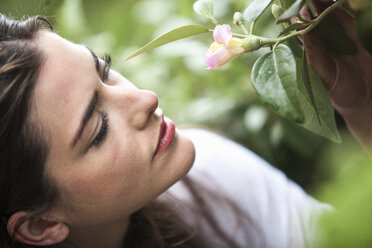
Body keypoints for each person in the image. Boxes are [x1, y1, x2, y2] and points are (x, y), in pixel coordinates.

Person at [0, 0, 371, 247]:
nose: (146, 99)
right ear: (40, 226)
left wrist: (361, 103)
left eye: (106, 72)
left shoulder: (210, 184)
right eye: (98, 130)